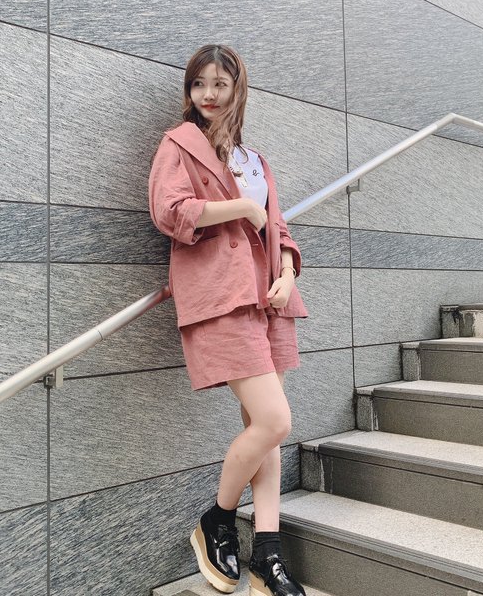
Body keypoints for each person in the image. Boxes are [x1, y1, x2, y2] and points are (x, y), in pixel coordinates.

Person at [148, 44, 309, 596]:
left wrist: (286, 271)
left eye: (220, 84)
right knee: (275, 420)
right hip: (220, 297)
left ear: (238, 88)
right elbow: (170, 210)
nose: (209, 95)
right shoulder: (179, 144)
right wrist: (240, 207)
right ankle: (217, 518)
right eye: (199, 84)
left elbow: (278, 228)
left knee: (263, 430)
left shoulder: (253, 159)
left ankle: (268, 553)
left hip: (269, 299)